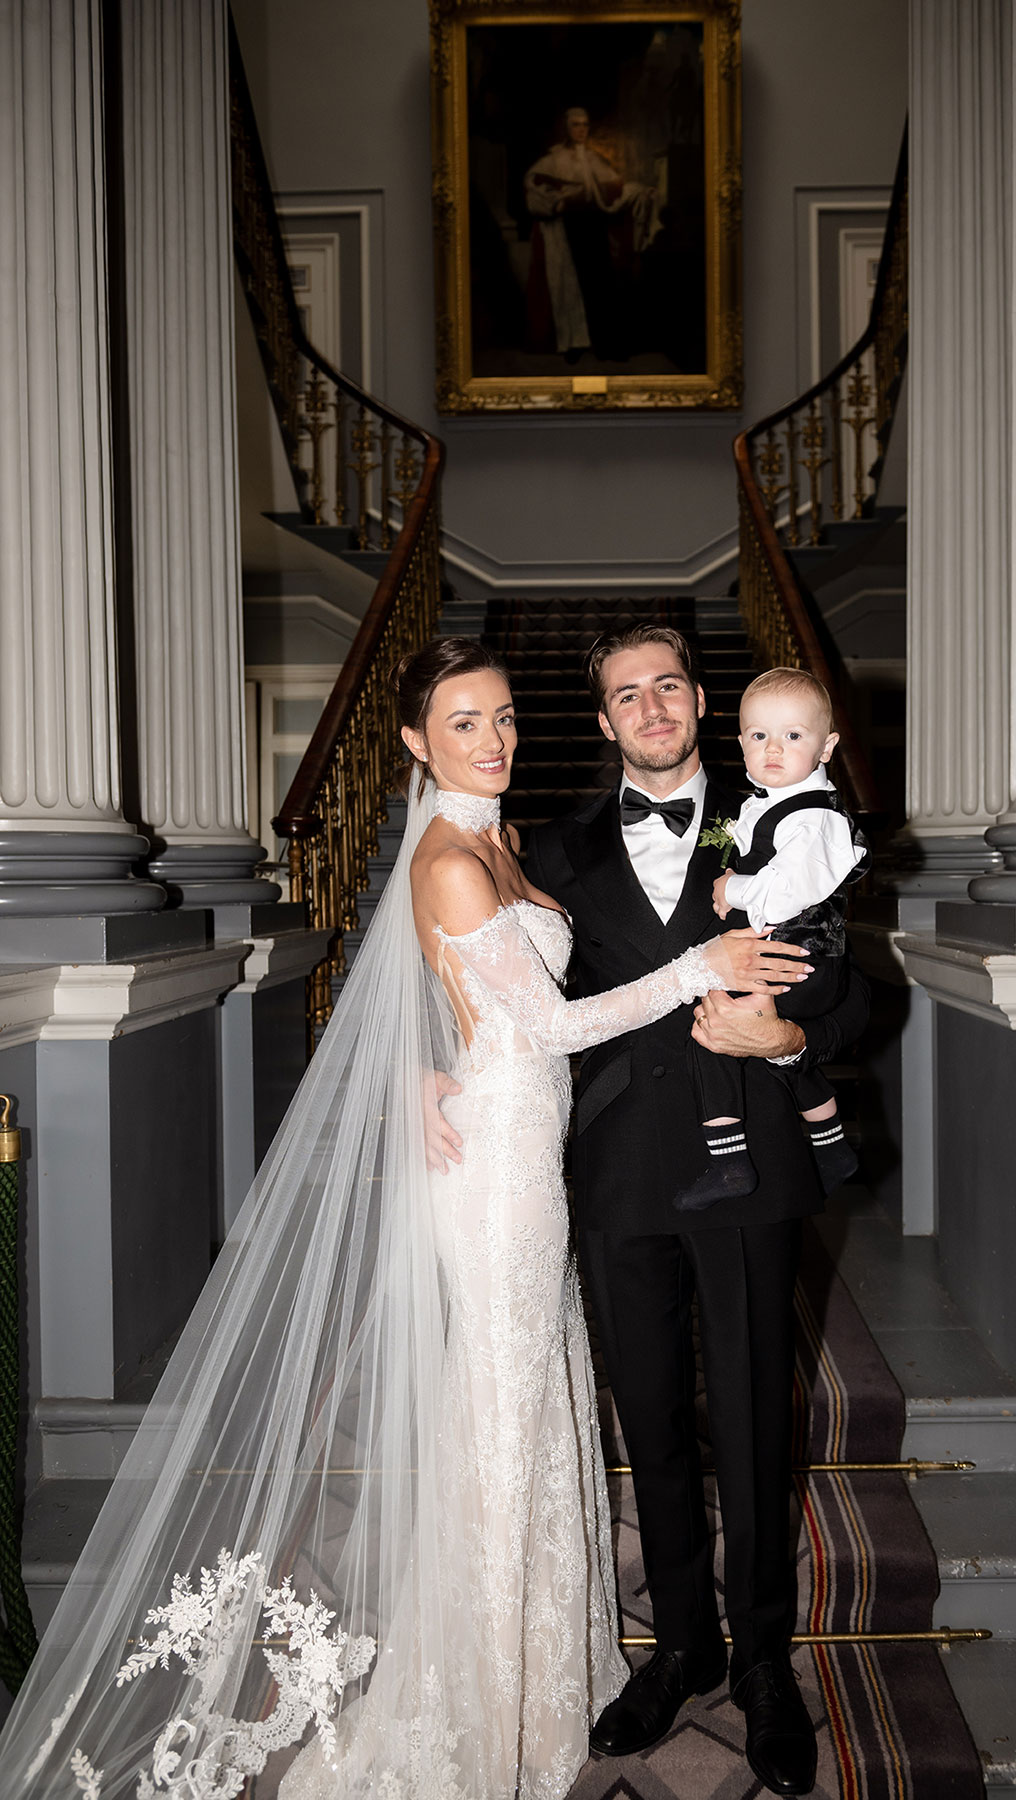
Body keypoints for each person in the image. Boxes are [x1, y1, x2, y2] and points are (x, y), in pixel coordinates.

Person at [0, 637, 802, 1800]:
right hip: (498, 1179)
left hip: (526, 1151)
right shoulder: (452, 859)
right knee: (498, 1409)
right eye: (465, 722)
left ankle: (539, 1664)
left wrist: (436, 1067)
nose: (495, 740)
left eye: (506, 717)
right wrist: (694, 972)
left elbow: (465, 1002)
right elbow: (550, 1025)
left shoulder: (507, 841)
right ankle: (472, 1690)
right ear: (417, 741)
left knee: (528, 1404)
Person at [523, 625, 871, 1800]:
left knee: (753, 1413)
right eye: (627, 694)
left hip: (753, 1159)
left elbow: (855, 984)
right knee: (656, 1423)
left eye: (667, 683)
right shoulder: (552, 850)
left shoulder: (781, 812)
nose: (651, 705)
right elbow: (513, 1003)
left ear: (699, 699)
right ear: (607, 722)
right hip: (618, 1172)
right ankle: (681, 1643)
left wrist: (794, 1034)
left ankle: (765, 1660)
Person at [675, 665, 870, 1212]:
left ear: (827, 746)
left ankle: (728, 1159)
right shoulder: (771, 804)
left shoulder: (815, 818)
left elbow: (786, 894)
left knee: (714, 1029)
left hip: (801, 959)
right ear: (740, 742)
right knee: (766, 1048)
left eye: (793, 736)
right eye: (759, 736)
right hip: (789, 956)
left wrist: (733, 888)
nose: (774, 749)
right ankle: (831, 1147)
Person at [524, 107, 659, 360]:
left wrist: (640, 191)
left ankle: (607, 346)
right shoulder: (552, 161)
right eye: (576, 125)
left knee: (601, 284)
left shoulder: (595, 159)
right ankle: (574, 344)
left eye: (585, 124)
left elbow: (613, 191)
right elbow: (534, 191)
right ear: (566, 128)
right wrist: (557, 202)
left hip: (593, 228)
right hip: (566, 230)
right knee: (569, 284)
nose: (581, 129)